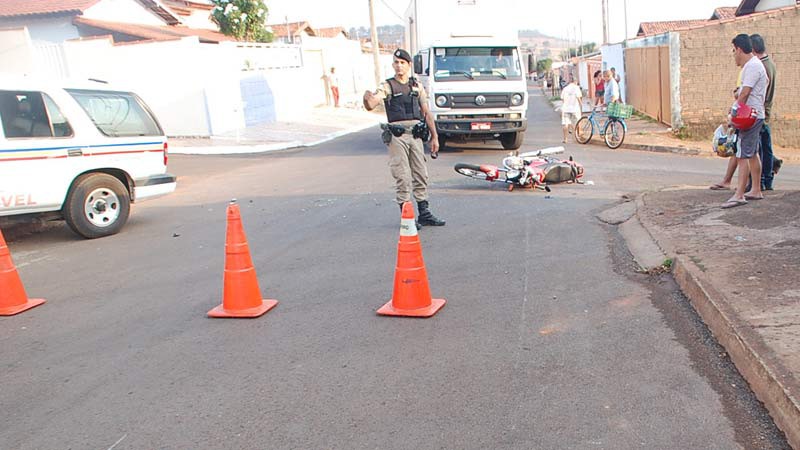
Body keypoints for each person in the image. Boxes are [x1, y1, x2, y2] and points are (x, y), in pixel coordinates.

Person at [362, 49, 445, 227]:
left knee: (421, 174)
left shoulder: (416, 86)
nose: (399, 66)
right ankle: (407, 217)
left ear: (409, 65)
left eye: (402, 63)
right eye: (396, 62)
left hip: (415, 135)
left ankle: (424, 213)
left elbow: (426, 113)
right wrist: (368, 99)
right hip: (398, 136)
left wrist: (435, 137)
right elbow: (373, 102)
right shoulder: (387, 86)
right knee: (402, 176)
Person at [721, 33, 768, 209]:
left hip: (749, 116)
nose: (734, 55)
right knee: (752, 153)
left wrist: (734, 113)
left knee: (742, 155)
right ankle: (756, 189)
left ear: (739, 49)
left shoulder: (752, 66)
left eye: (734, 51)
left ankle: (739, 194)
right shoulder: (754, 65)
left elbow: (745, 93)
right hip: (754, 114)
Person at [751, 34, 778, 190]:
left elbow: (760, 92)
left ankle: (760, 181)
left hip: (760, 111)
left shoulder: (761, 67)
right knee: (766, 148)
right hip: (766, 111)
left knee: (758, 149)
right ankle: (767, 180)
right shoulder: (770, 64)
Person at [560, 76, 582, 143]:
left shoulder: (565, 88)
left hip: (566, 109)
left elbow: (562, 99)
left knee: (565, 124)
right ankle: (576, 138)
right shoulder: (576, 88)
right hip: (575, 109)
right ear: (575, 81)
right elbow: (579, 98)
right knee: (576, 123)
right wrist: (581, 107)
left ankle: (565, 139)